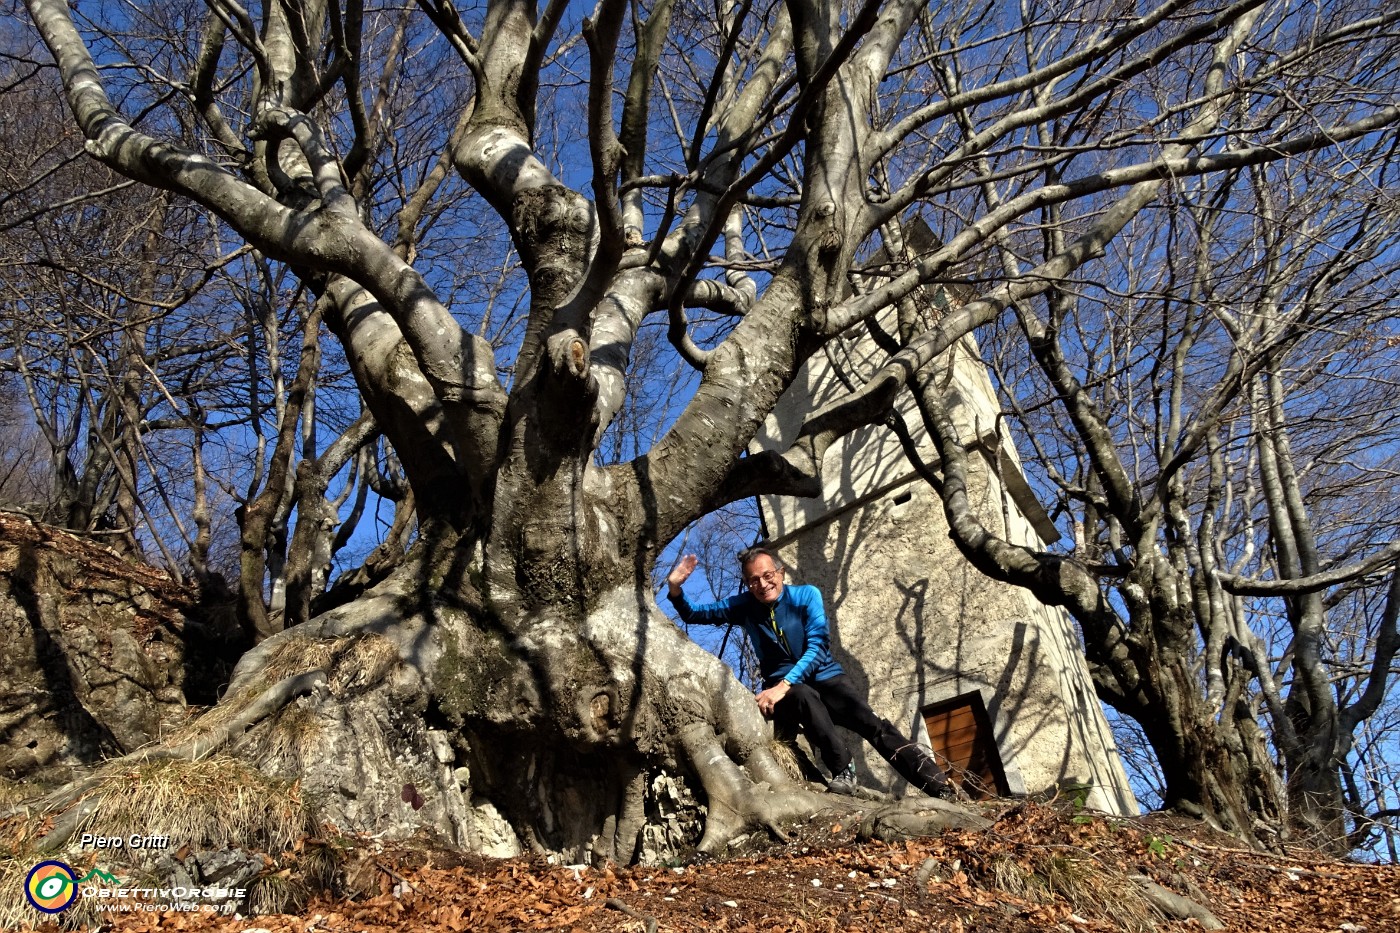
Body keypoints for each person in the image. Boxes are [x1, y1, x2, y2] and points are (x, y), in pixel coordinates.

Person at [666, 546, 952, 799]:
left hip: (826, 677)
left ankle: (940, 787)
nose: (763, 584)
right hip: (793, 693)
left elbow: (817, 645)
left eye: (768, 575)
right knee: (802, 695)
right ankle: (843, 768)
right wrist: (676, 589)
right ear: (746, 584)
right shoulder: (744, 607)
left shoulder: (805, 596)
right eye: (753, 580)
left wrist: (785, 683)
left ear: (781, 572)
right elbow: (695, 614)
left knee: (873, 725)